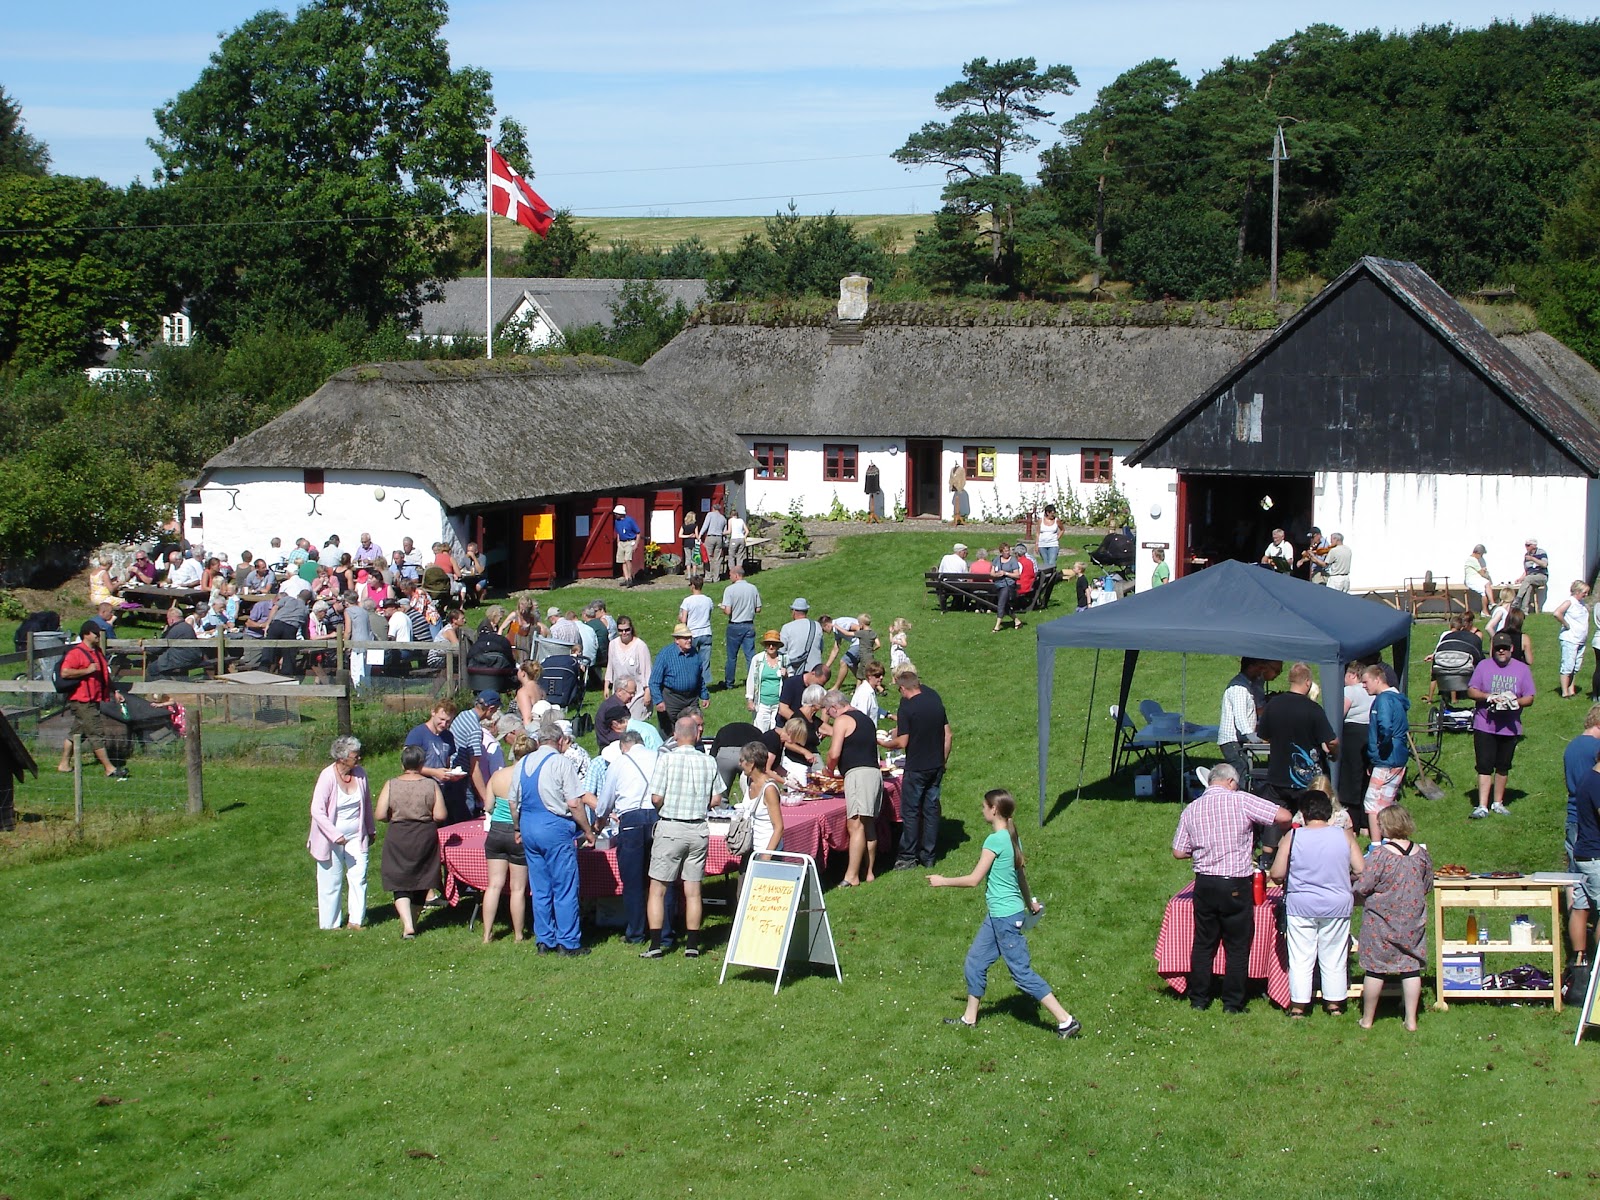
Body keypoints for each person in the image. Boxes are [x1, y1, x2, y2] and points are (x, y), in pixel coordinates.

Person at [928, 789, 1081, 1038]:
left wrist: (942, 881)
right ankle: (969, 1018)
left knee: (1021, 973)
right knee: (975, 962)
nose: (982, 810)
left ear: (994, 810)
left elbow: (974, 880)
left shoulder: (996, 840)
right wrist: (1029, 902)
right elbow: (1020, 873)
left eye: (984, 806)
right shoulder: (1011, 837)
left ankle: (1066, 1020)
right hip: (1000, 915)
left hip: (1006, 918)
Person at [1171, 763, 1292, 1013]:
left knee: (1204, 942)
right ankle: (1233, 1003)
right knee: (1237, 945)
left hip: (1204, 883)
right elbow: (1283, 816)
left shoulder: (1191, 809)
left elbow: (1178, 851)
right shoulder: (1241, 801)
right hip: (1236, 883)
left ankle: (1199, 998)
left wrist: (1204, 848)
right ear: (1230, 782)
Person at [1269, 790, 1362, 1017]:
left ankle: (1299, 1005)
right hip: (1336, 904)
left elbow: (1277, 873)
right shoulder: (1344, 836)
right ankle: (1334, 1003)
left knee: (1301, 957)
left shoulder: (1294, 836)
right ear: (1329, 813)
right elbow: (1360, 869)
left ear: (1303, 813)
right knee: (1334, 955)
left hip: (1302, 905)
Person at [642, 715, 726, 959]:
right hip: (698, 828)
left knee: (657, 889)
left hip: (671, 827)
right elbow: (717, 798)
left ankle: (656, 945)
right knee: (693, 890)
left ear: (675, 735)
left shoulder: (666, 760)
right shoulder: (708, 761)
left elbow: (656, 797)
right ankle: (692, 945)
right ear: (697, 735)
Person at [513, 715, 598, 955]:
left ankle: (544, 939)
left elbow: (512, 801)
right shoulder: (561, 763)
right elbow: (574, 803)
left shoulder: (522, 763)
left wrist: (518, 828)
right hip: (554, 827)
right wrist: (587, 831)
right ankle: (568, 942)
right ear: (560, 741)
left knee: (540, 887)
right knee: (565, 886)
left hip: (529, 825)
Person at [1353, 805, 1433, 1030]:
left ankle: (1367, 1019)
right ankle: (1411, 1020)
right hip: (1412, 919)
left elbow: (1365, 885)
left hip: (1380, 920)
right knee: (1411, 967)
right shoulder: (1422, 854)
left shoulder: (1380, 855)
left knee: (1375, 969)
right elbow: (1427, 884)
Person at [594, 729, 669, 945]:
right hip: (658, 818)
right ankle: (664, 932)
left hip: (631, 821)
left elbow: (605, 802)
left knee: (633, 881)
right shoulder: (659, 757)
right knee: (661, 878)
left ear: (623, 746)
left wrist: (599, 823)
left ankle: (636, 932)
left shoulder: (619, 763)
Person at [375, 745, 446, 941]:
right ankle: (413, 922)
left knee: (400, 881)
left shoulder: (391, 784)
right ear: (422, 763)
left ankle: (408, 925)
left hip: (398, 835)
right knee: (422, 878)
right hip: (424, 835)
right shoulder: (430, 785)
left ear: (402, 764)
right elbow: (440, 814)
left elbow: (380, 814)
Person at [886, 668, 951, 870]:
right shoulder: (935, 702)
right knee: (931, 810)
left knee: (911, 812)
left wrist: (882, 743)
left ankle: (907, 857)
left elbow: (902, 741)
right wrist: (943, 760)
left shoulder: (907, 708)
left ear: (904, 688)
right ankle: (929, 856)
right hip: (936, 765)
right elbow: (948, 734)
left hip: (916, 768)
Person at [306, 736, 372, 931]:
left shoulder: (360, 774)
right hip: (330, 838)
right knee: (331, 880)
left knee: (359, 876)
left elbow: (366, 804)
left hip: (356, 835)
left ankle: (356, 921)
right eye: (355, 756)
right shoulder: (327, 776)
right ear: (342, 758)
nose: (359, 759)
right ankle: (330, 924)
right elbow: (317, 810)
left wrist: (370, 829)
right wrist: (334, 835)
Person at [1466, 633, 1536, 817]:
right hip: (1485, 724)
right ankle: (1482, 805)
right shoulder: (1483, 666)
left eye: (1505, 647)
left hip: (1510, 725)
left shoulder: (1522, 669)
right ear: (1493, 649)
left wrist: (1515, 702)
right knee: (1484, 765)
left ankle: (1498, 802)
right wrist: (1488, 697)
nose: (1501, 651)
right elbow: (1472, 690)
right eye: (1498, 648)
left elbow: (1530, 697)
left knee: (1503, 766)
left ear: (1512, 649)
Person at [477, 728, 532, 944]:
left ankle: (487, 933)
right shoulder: (527, 777)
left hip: (497, 831)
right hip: (518, 832)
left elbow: (488, 806)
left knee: (494, 885)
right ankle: (518, 935)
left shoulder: (498, 776)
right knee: (517, 888)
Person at [1257, 663, 1338, 809]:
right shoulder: (1313, 709)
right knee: (1310, 818)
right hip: (1306, 780)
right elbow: (1331, 741)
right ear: (1308, 682)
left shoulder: (1273, 705)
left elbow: (1264, 736)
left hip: (1278, 777)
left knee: (1278, 820)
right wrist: (1334, 752)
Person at [824, 688, 883, 887]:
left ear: (834, 708)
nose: (829, 717)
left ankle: (851, 876)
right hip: (874, 772)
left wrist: (829, 770)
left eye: (828, 712)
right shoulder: (865, 719)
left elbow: (834, 753)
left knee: (855, 824)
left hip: (858, 774)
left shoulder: (843, 720)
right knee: (867, 824)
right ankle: (870, 872)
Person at [55, 622, 126, 781]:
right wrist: (87, 670)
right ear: (86, 634)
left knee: (77, 733)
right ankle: (109, 768)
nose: (97, 636)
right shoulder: (76, 653)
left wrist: (114, 691)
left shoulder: (97, 651)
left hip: (94, 698)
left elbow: (104, 675)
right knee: (96, 732)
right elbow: (65, 672)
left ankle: (64, 764)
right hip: (82, 700)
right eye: (95, 633)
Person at [1563, 705, 1600, 966]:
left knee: (1580, 902)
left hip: (1577, 832)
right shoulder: (1596, 777)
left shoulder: (1573, 747)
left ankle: (1579, 964)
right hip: (1592, 842)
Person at [1360, 664, 1411, 842]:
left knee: (1372, 803)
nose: (1363, 686)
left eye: (1365, 682)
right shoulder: (1397, 699)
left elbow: (1385, 727)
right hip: (1397, 757)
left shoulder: (1383, 700)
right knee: (1386, 802)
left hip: (1386, 758)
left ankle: (1376, 845)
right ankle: (1389, 840)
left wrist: (1378, 752)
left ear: (1377, 679)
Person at [1216, 658, 1276, 782]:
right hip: (1232, 741)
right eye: (1259, 668)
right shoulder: (1239, 688)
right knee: (1241, 774)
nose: (1261, 672)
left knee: (1245, 772)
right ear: (1251, 667)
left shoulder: (1247, 685)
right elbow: (1241, 719)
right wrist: (1254, 737)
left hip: (1238, 740)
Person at [1570, 746, 1600, 975]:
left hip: (1582, 853)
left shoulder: (1587, 777)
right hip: (1596, 856)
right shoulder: (1597, 782)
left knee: (1581, 907)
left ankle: (1579, 965)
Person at [650, 622, 710, 735]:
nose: (689, 641)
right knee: (669, 730)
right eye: (685, 638)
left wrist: (704, 695)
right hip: (672, 698)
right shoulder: (665, 654)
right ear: (677, 640)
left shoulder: (694, 653)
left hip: (691, 698)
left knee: (693, 726)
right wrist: (658, 701)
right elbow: (654, 681)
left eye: (690, 638)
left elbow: (699, 677)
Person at [1337, 663, 1373, 830]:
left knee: (1351, 779)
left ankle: (1353, 823)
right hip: (1370, 733)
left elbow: (1338, 714)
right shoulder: (1371, 692)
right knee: (1366, 778)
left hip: (1352, 736)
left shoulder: (1350, 691)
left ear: (1352, 675)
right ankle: (1367, 823)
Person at [737, 740, 784, 857]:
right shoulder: (747, 781)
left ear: (751, 763)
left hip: (767, 851)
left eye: (742, 760)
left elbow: (779, 827)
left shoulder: (769, 789)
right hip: (751, 849)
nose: (739, 764)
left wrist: (766, 856)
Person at [718, 565, 761, 690]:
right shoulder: (753, 588)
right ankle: (754, 681)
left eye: (730, 574)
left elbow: (727, 611)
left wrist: (723, 608)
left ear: (736, 575)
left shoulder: (730, 590)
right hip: (749, 625)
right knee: (750, 656)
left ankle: (729, 682)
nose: (729, 576)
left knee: (732, 656)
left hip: (735, 625)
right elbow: (758, 608)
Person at [605, 617, 652, 717]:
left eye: (627, 630)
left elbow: (647, 671)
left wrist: (648, 692)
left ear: (631, 629)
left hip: (637, 694)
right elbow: (610, 667)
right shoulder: (613, 644)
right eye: (621, 630)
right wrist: (606, 686)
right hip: (619, 694)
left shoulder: (640, 646)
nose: (624, 633)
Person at [1555, 580, 1591, 698]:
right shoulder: (1570, 602)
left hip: (1580, 639)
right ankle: (1565, 692)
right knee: (1568, 664)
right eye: (1584, 592)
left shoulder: (1581, 603)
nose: (1586, 595)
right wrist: (1566, 624)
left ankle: (1571, 689)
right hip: (1570, 638)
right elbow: (1557, 613)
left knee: (1576, 666)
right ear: (1577, 591)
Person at [745, 630, 786, 731]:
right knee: (760, 732)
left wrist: (786, 675)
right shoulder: (757, 659)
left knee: (776, 732)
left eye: (774, 644)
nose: (771, 647)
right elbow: (751, 679)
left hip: (778, 704)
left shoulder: (784, 659)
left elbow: (791, 682)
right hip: (762, 704)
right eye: (768, 644)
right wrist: (750, 699)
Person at [779, 598, 825, 674]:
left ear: (794, 611)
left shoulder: (787, 628)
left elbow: (781, 651)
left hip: (794, 672)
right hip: (815, 672)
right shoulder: (817, 626)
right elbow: (821, 648)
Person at [1513, 536, 1549, 613]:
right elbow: (1526, 571)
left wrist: (1533, 559)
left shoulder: (1541, 552)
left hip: (1541, 576)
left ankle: (1517, 599)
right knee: (1528, 586)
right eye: (1525, 545)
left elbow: (1545, 564)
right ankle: (1524, 610)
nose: (1526, 547)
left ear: (1534, 546)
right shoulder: (1526, 555)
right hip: (1530, 577)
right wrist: (1520, 579)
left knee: (1528, 579)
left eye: (1528, 545)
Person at [990, 545, 1022, 633]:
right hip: (998, 584)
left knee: (1001, 604)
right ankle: (1017, 621)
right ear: (1001, 552)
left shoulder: (1013, 561)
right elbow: (992, 572)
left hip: (1008, 585)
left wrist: (1006, 573)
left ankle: (997, 626)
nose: (1007, 552)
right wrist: (997, 575)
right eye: (1005, 551)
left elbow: (1017, 575)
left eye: (1008, 551)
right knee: (1005, 605)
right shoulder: (996, 559)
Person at [852, 660, 888, 724]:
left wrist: (888, 715)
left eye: (882, 674)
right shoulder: (865, 694)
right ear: (869, 676)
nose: (881, 677)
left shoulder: (869, 690)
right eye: (877, 675)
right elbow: (861, 718)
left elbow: (873, 709)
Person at [700, 502, 729, 582]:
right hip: (719, 538)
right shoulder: (723, 518)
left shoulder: (710, 515)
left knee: (707, 557)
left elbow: (705, 526)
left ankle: (708, 577)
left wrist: (700, 535)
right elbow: (724, 531)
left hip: (710, 537)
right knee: (717, 558)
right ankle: (716, 577)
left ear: (713, 508)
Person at [1463, 543, 1493, 617]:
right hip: (1471, 580)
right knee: (1484, 590)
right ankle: (1485, 610)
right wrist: (1484, 571)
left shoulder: (1473, 560)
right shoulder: (1473, 560)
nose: (1481, 556)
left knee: (1487, 584)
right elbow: (1482, 573)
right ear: (1478, 553)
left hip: (1476, 579)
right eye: (1481, 554)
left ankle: (1491, 604)